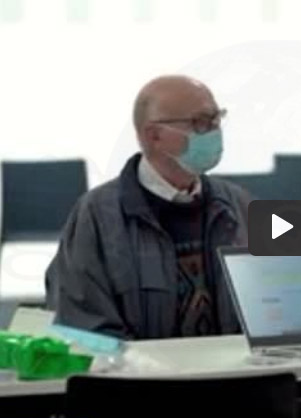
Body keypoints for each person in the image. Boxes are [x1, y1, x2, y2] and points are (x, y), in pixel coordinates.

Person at [46, 75, 251, 339]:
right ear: (154, 136)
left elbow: (277, 305)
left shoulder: (239, 205)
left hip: (234, 365)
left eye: (216, 120)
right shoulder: (97, 217)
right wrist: (145, 362)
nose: (214, 132)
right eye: (200, 123)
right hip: (137, 366)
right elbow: (82, 326)